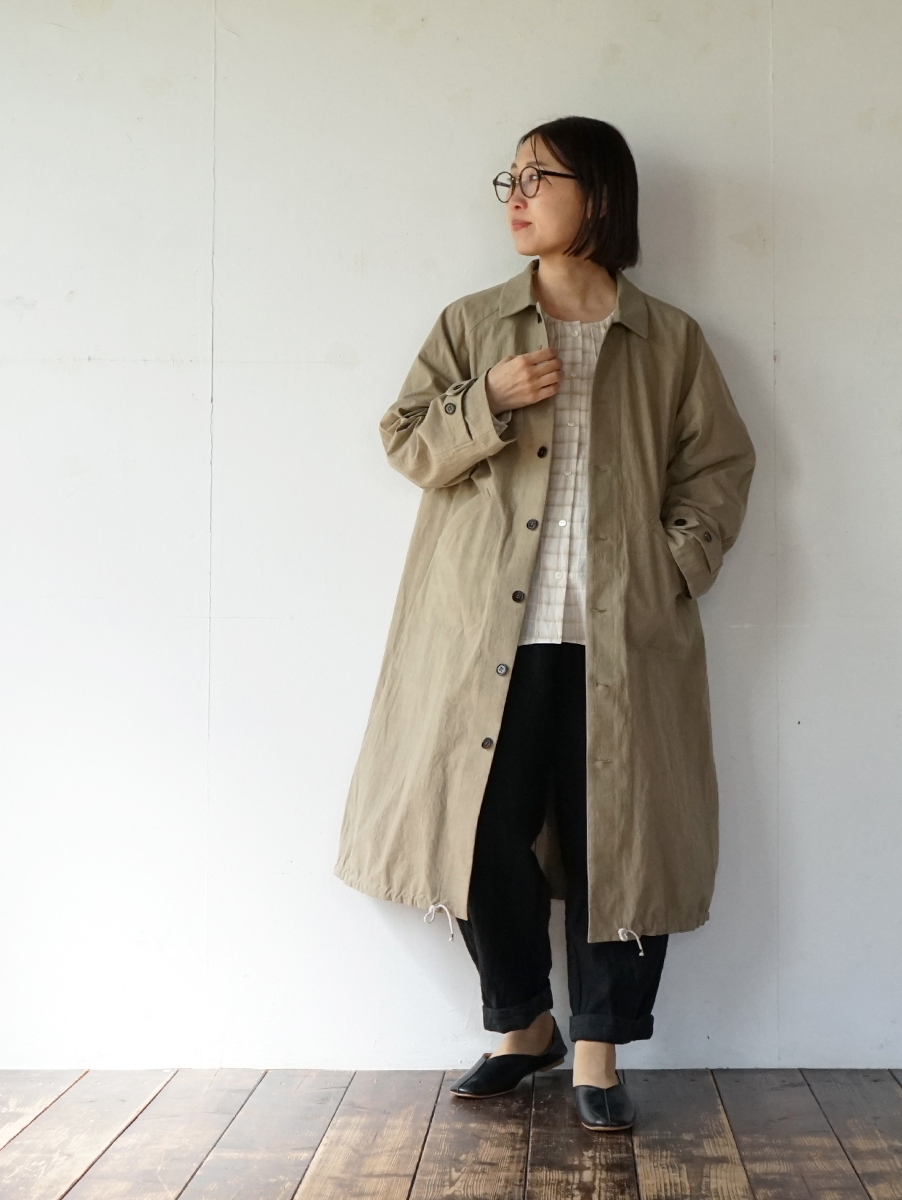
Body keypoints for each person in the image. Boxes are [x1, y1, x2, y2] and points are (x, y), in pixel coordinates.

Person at [334, 116, 756, 1132]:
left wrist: (672, 566)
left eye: (538, 177)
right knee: (472, 825)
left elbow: (719, 468)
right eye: (510, 179)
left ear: (597, 195)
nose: (515, 195)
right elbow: (407, 443)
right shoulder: (473, 324)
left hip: (622, 636)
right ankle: (523, 1024)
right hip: (486, 636)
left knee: (622, 836)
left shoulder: (670, 339)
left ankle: (598, 1051)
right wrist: (486, 397)